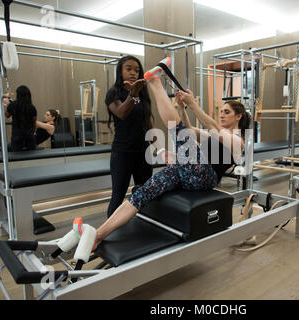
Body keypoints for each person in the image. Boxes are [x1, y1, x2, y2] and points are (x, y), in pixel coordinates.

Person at [92, 57, 250, 246]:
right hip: (187, 170)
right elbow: (189, 130)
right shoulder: (214, 133)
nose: (222, 114)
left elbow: (214, 129)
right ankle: (99, 235)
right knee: (141, 193)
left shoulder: (238, 141)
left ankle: (155, 82)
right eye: (221, 111)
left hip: (204, 178)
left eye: (227, 112)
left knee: (178, 131)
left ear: (238, 117)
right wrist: (182, 107)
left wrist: (193, 104)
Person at [104, 56, 154, 218]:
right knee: (117, 198)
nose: (133, 73)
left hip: (143, 153)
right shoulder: (113, 93)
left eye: (137, 70)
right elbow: (121, 113)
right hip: (122, 153)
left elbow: (148, 122)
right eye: (129, 69)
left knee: (145, 194)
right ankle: (109, 236)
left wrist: (158, 147)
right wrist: (132, 93)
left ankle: (145, 228)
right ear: (120, 71)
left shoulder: (143, 94)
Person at [0, 85, 37, 153]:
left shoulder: (13, 105)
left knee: (16, 155)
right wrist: (34, 131)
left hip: (17, 134)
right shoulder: (32, 107)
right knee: (32, 153)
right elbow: (34, 121)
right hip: (29, 133)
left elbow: (7, 115)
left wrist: (8, 105)